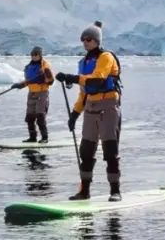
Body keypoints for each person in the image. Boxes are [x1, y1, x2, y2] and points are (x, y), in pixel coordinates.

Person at [55, 21, 123, 202]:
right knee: (86, 151)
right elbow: (84, 93)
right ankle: (84, 191)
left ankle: (115, 191)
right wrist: (75, 114)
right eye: (83, 39)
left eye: (89, 39)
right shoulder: (84, 62)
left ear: (97, 41)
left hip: (108, 107)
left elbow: (97, 81)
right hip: (91, 109)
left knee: (110, 151)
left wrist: (71, 77)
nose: (85, 42)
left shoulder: (106, 57)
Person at [11, 46, 54, 143]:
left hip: (42, 93)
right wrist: (19, 85)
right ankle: (32, 137)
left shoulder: (45, 66)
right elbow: (28, 81)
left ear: (40, 55)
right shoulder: (28, 67)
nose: (34, 56)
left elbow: (51, 81)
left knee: (40, 116)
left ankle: (44, 138)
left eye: (36, 55)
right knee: (30, 117)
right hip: (31, 93)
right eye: (32, 55)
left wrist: (46, 76)